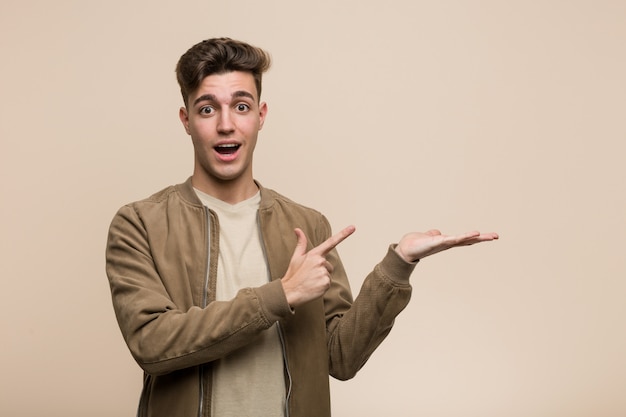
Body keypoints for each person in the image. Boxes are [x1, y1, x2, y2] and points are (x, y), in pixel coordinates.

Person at [105, 37, 498, 417]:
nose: (226, 124)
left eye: (241, 106)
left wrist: (398, 265)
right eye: (207, 109)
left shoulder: (307, 225)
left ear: (260, 116)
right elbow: (152, 343)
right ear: (186, 120)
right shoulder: (139, 223)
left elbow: (341, 357)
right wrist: (282, 294)